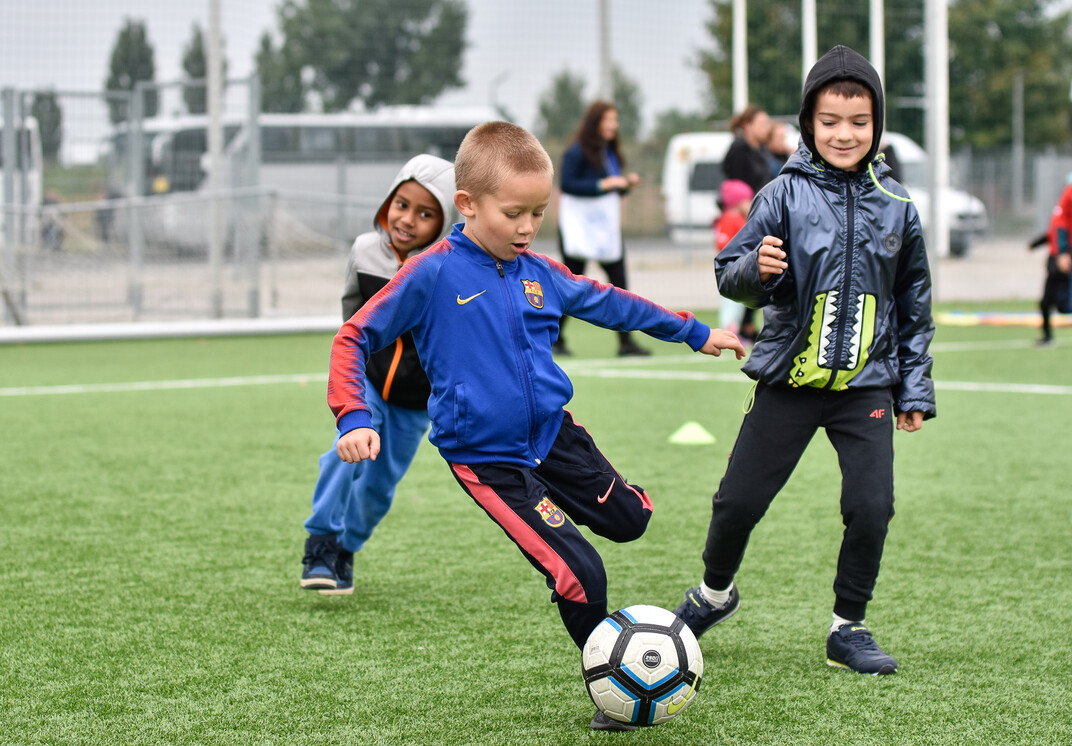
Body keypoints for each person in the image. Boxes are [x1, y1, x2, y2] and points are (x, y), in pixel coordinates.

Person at [327, 121, 745, 730]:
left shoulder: (539, 271)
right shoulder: (431, 274)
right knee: (580, 574)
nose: (527, 228)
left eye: (538, 213)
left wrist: (695, 332)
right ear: (466, 206)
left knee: (632, 522)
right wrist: (355, 415)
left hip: (554, 435)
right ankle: (615, 687)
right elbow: (354, 336)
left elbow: (611, 302)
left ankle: (559, 511)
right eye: (514, 213)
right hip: (489, 460)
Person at [672, 45, 936, 676]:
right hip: (788, 381)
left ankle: (849, 626)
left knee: (872, 506)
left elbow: (915, 303)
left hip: (867, 386)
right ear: (808, 124)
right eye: (829, 121)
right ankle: (713, 595)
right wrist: (754, 274)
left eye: (859, 121)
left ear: (876, 124)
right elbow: (726, 275)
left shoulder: (899, 205)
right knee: (737, 502)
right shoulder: (781, 195)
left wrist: (915, 390)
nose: (845, 134)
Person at [300, 154, 456, 595]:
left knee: (379, 487)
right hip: (368, 381)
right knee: (341, 454)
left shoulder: (447, 267)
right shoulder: (364, 250)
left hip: (415, 401)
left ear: (443, 222)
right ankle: (320, 542)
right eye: (401, 204)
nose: (407, 220)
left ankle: (345, 550)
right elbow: (352, 316)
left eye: (426, 214)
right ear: (388, 200)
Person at [553, 100, 649, 357]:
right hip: (578, 230)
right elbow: (568, 184)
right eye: (608, 120)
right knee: (571, 287)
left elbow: (610, 187)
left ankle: (626, 342)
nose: (613, 125)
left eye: (615, 121)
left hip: (604, 231)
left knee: (619, 284)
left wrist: (625, 184)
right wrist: (604, 184)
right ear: (595, 122)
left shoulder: (610, 152)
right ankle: (554, 338)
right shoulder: (577, 151)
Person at [722, 106, 775, 343]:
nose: (767, 127)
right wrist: (748, 210)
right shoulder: (738, 150)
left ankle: (749, 325)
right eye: (762, 122)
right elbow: (732, 188)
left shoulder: (762, 150)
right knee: (744, 268)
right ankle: (736, 325)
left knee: (763, 270)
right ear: (747, 126)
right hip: (744, 220)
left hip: (761, 215)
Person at [1028, 177, 1072, 346]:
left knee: (1061, 304)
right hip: (1057, 257)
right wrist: (1035, 244)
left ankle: (1047, 337)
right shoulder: (1061, 206)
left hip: (1062, 257)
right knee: (1048, 302)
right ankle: (1047, 336)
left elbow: (1061, 230)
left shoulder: (1068, 195)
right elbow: (1054, 232)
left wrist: (1063, 254)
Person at [713, 179, 754, 334]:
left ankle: (733, 331)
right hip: (732, 267)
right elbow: (723, 242)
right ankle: (729, 332)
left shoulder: (735, 217)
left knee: (737, 302)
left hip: (738, 266)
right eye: (747, 200)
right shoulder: (732, 217)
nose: (750, 203)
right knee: (731, 302)